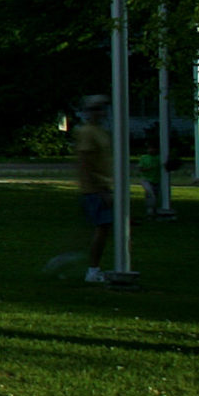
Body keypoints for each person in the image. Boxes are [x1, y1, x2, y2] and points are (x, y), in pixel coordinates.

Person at [72, 94, 118, 282]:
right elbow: (84, 163)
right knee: (101, 228)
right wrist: (99, 189)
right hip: (95, 190)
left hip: (104, 186)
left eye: (102, 107)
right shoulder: (87, 132)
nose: (100, 112)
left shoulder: (101, 131)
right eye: (95, 108)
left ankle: (89, 265)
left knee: (103, 229)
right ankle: (92, 270)